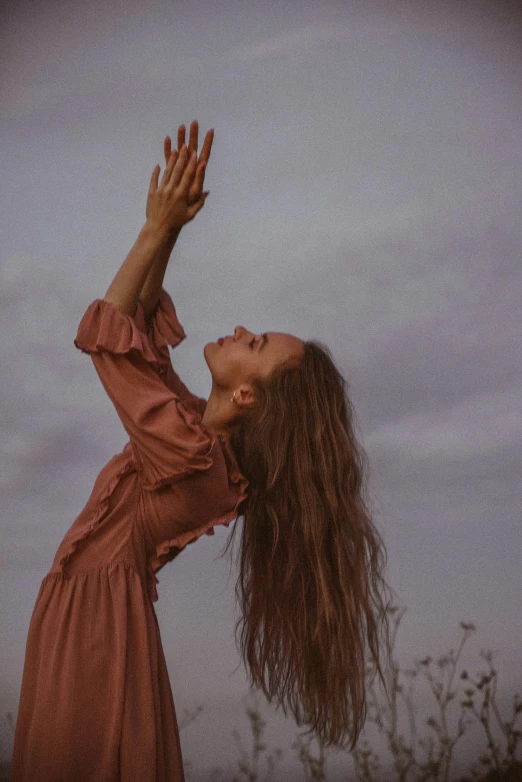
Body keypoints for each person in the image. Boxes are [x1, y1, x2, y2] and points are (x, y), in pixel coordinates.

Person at [10, 122, 393, 781]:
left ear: (247, 396)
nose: (242, 330)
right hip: (90, 619)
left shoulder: (193, 461)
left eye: (256, 343)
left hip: (97, 635)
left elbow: (107, 341)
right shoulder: (194, 437)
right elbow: (138, 334)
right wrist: (172, 228)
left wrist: (154, 231)